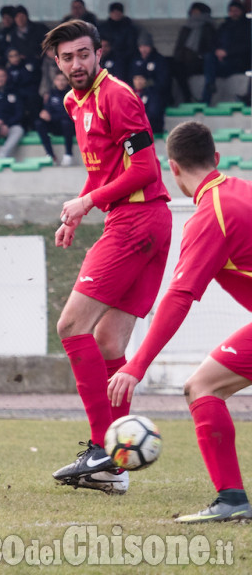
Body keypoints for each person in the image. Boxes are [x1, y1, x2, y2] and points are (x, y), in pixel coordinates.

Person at [42, 19, 171, 495]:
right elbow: (104, 171)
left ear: (98, 53)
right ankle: (115, 466)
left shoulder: (117, 95)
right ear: (56, 62)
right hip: (137, 223)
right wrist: (75, 212)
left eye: (83, 54)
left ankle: (100, 446)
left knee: (71, 327)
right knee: (108, 340)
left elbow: (143, 169)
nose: (76, 63)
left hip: (138, 222)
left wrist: (88, 204)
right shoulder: (74, 101)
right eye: (67, 57)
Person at [108, 120, 252, 521]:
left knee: (202, 387)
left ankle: (231, 500)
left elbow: (178, 297)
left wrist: (136, 365)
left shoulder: (210, 216)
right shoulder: (243, 191)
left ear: (171, 168)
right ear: (216, 159)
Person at [202, 0, 252, 105]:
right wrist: (217, 52)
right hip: (222, 63)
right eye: (231, 10)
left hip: (239, 63)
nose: (233, 13)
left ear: (241, 11)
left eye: (236, 10)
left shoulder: (247, 26)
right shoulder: (224, 26)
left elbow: (247, 46)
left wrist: (227, 52)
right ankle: (208, 92)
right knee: (209, 58)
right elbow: (213, 43)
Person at [172, 2, 215, 105]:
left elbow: (210, 46)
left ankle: (202, 99)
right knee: (173, 66)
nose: (194, 14)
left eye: (196, 11)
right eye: (192, 12)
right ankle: (186, 97)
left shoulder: (207, 27)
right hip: (185, 59)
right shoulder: (186, 27)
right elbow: (179, 46)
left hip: (200, 60)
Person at [34, 71, 74, 166]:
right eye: (58, 80)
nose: (61, 82)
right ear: (55, 81)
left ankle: (68, 154)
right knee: (39, 123)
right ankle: (50, 155)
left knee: (66, 122)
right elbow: (48, 110)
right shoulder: (51, 93)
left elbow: (70, 114)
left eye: (63, 80)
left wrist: (51, 117)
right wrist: (44, 113)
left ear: (68, 81)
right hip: (54, 124)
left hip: (68, 126)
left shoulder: (72, 94)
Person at [97, 2, 139, 83]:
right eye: (114, 12)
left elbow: (131, 47)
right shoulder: (103, 28)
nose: (116, 14)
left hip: (124, 60)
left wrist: (120, 57)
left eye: (118, 12)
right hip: (105, 58)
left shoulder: (129, 28)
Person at [4, 46, 42, 128]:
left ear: (20, 55)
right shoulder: (9, 70)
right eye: (11, 56)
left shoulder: (28, 64)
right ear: (8, 58)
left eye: (16, 55)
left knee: (33, 99)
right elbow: (9, 86)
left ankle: (35, 126)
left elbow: (35, 79)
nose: (15, 58)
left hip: (31, 92)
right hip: (17, 94)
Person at [132, 64, 166, 134]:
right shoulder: (130, 94)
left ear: (145, 80)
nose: (139, 82)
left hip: (150, 129)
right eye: (136, 79)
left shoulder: (153, 93)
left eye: (141, 79)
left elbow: (153, 113)